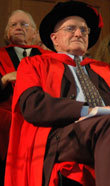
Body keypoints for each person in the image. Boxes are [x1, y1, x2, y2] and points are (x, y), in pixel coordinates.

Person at [4, 1, 110, 186]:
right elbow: (33, 105)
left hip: (107, 123)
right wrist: (86, 110)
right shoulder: (34, 64)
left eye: (84, 30)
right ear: (55, 38)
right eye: (70, 28)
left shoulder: (107, 70)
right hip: (62, 133)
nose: (79, 33)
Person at [0, 10, 49, 167]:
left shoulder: (48, 57)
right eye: (13, 25)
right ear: (7, 33)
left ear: (34, 33)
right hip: (7, 123)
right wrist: (4, 80)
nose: (18, 27)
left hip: (43, 119)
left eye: (24, 24)